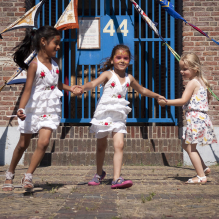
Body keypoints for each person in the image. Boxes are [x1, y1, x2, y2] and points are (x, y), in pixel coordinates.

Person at [74, 45, 166, 189]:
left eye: (125, 58)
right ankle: (99, 173)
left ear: (129, 60)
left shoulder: (129, 78)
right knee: (101, 146)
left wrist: (156, 95)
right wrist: (82, 87)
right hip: (104, 112)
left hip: (119, 115)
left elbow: (141, 90)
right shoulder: (108, 75)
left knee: (119, 145)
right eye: (118, 57)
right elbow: (93, 83)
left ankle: (116, 178)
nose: (122, 60)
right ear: (112, 60)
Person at [2, 26, 80, 191]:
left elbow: (54, 82)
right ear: (43, 42)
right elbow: (27, 89)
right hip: (34, 107)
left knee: (44, 142)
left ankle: (28, 175)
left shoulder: (56, 62)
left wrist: (70, 88)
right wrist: (21, 109)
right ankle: (10, 172)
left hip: (51, 107)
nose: (58, 47)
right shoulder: (34, 65)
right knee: (23, 144)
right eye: (56, 43)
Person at [158, 52, 217, 184]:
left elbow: (183, 101)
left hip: (195, 119)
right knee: (186, 144)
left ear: (195, 68)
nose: (181, 72)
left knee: (191, 148)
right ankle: (204, 168)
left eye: (185, 69)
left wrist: (166, 102)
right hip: (200, 118)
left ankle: (201, 176)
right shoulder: (201, 81)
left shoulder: (192, 83)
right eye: (181, 69)